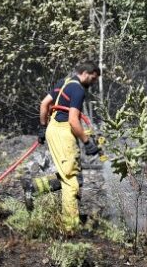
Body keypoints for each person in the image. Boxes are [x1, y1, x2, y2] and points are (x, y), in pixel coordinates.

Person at [24, 59, 102, 230]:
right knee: (72, 181)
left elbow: (45, 104)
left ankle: (34, 187)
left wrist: (43, 128)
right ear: (86, 74)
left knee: (71, 175)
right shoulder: (78, 90)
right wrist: (87, 142)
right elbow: (74, 121)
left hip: (53, 129)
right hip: (63, 133)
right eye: (93, 79)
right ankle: (69, 228)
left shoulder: (63, 83)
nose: (94, 82)